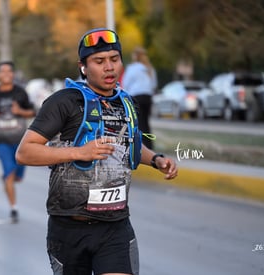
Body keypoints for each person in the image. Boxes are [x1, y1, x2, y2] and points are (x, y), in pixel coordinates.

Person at [16, 28, 178, 275]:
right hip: (69, 228)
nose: (109, 67)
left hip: (115, 227)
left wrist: (155, 159)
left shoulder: (127, 102)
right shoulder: (64, 101)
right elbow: (25, 152)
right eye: (99, 61)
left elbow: (131, 145)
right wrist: (79, 153)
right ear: (83, 67)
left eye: (114, 59)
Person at [0, 61, 35, 223]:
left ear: (13, 74)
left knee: (18, 177)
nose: (6, 74)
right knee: (9, 174)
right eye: (2, 71)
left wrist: (20, 111)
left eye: (9, 71)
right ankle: (14, 209)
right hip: (2, 140)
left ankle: (10, 178)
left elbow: (32, 112)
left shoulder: (21, 93)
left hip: (21, 141)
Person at [122, 46, 158, 150]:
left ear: (135, 56)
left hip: (136, 97)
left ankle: (140, 146)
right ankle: (149, 145)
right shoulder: (149, 68)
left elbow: (126, 83)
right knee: (146, 122)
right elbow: (154, 84)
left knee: (137, 122)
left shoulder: (132, 68)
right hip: (148, 97)